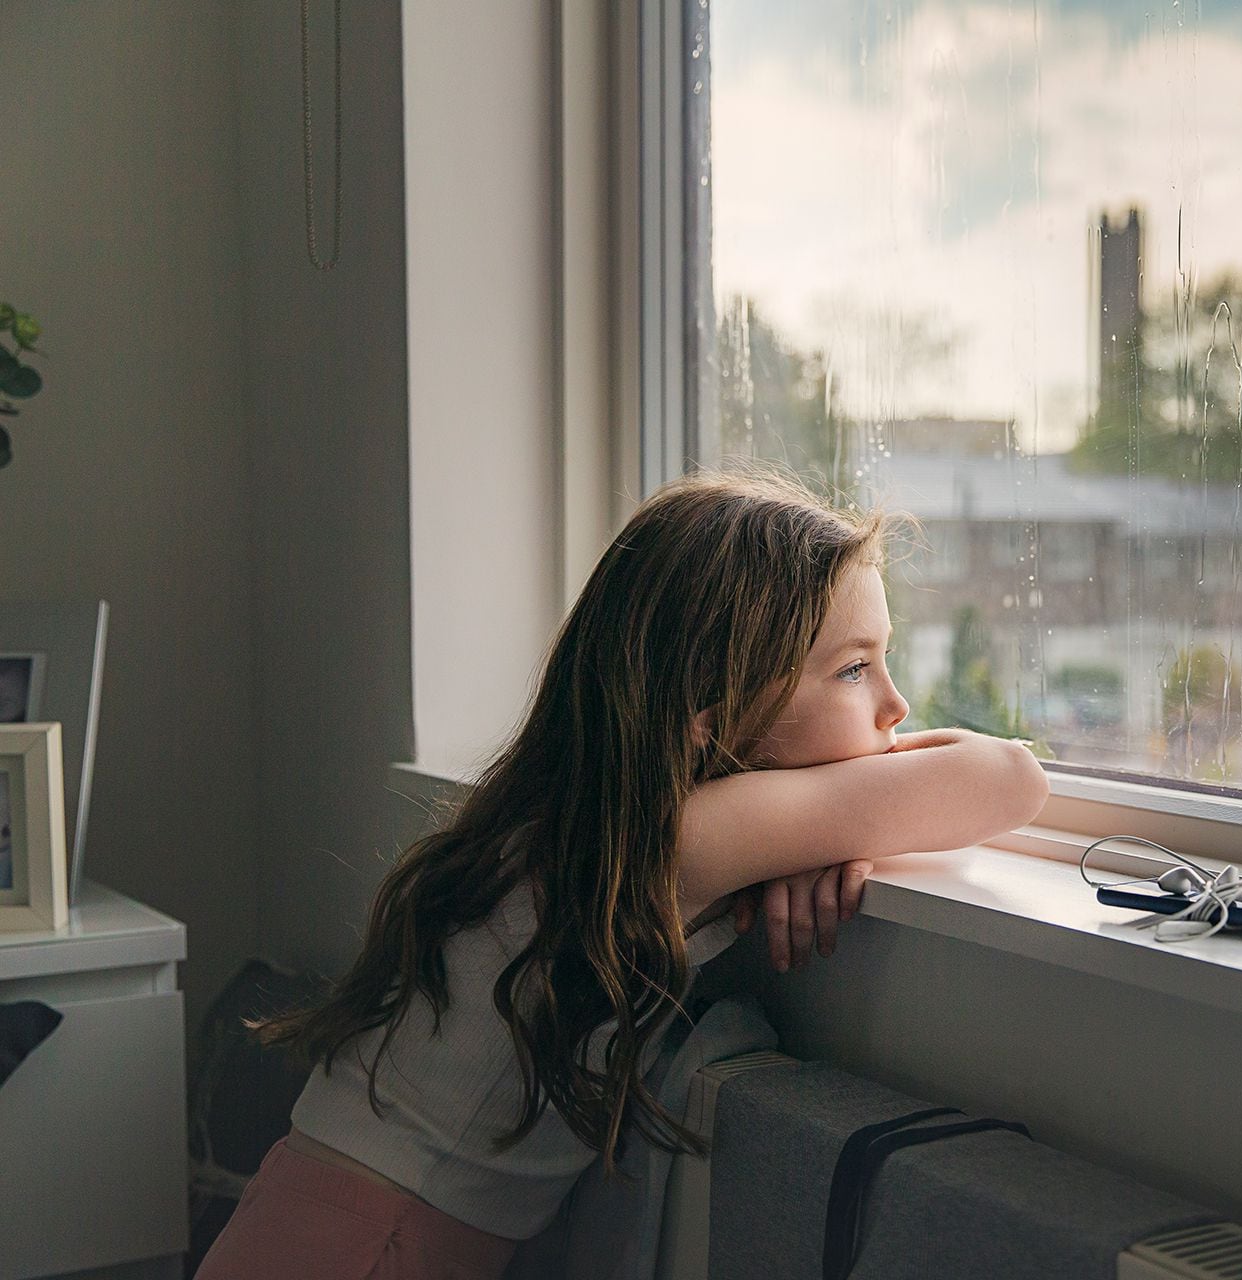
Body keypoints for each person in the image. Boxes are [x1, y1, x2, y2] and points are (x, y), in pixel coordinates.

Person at [196, 469, 1050, 1279]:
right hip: (372, 1253)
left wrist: (821, 829)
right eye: (854, 669)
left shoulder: (583, 820)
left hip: (319, 1223)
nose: (897, 707)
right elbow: (1012, 780)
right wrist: (829, 819)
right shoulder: (664, 841)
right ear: (707, 719)